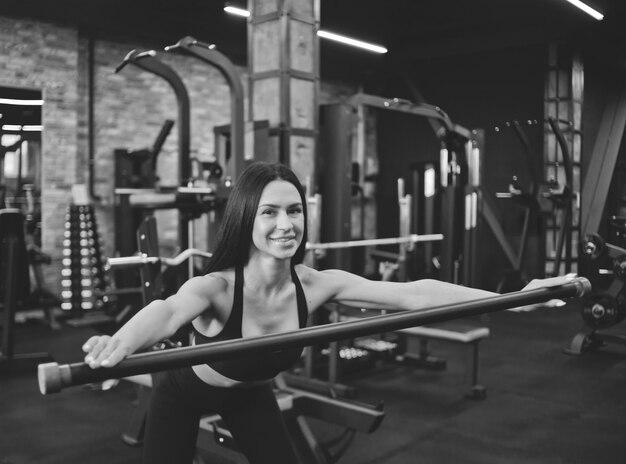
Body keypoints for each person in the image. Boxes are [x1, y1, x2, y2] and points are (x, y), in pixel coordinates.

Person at [82, 161, 571, 464]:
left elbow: (412, 295)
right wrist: (120, 343)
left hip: (250, 396)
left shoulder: (314, 285)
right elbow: (167, 312)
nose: (284, 224)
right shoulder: (215, 287)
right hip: (182, 395)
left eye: (294, 211)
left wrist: (515, 294)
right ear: (245, 217)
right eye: (269, 212)